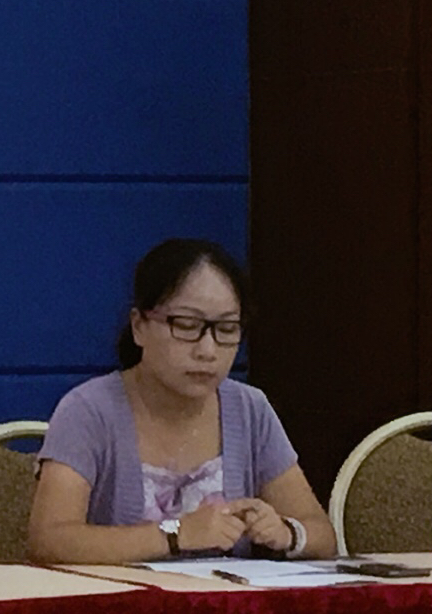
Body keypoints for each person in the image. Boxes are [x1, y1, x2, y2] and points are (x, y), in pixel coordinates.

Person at [27, 238, 335, 565]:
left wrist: (288, 532)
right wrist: (175, 534)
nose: (207, 350)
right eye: (186, 326)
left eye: (226, 329)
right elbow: (49, 541)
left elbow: (324, 537)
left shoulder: (249, 409)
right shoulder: (89, 410)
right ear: (139, 327)